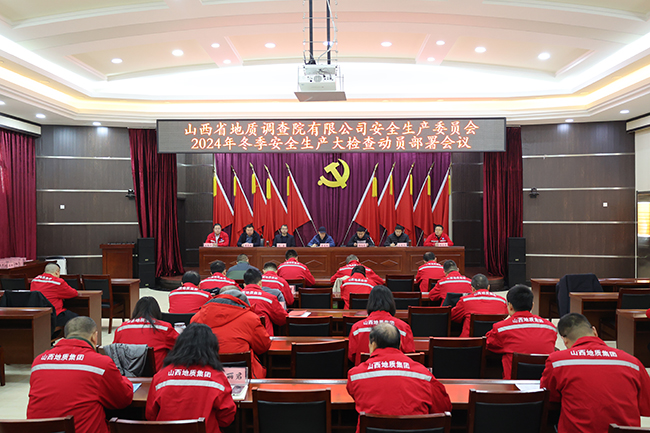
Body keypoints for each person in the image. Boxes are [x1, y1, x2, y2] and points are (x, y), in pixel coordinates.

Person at [541, 313, 650, 433]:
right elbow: (647, 406)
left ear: (565, 341)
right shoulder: (632, 363)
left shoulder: (558, 362)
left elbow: (549, 399)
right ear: (594, 331)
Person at [27, 316, 133, 433]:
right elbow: (123, 399)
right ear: (94, 336)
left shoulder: (39, 362)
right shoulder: (100, 364)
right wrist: (124, 379)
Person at [347, 323, 452, 432]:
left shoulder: (355, 375)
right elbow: (444, 408)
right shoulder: (424, 375)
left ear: (372, 345)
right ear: (400, 344)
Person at [146, 323, 236, 433]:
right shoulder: (217, 378)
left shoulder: (161, 376)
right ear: (212, 348)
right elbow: (227, 419)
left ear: (179, 346)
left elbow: (150, 415)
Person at [191, 289, 271, 378]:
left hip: (205, 374)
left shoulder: (196, 318)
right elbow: (263, 346)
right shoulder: (250, 318)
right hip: (242, 376)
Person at [485, 285, 556, 379]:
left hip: (513, 386)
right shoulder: (550, 327)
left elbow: (489, 344)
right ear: (532, 306)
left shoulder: (501, 328)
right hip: (544, 385)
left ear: (510, 306)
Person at [349, 285, 415, 365]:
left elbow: (351, 357)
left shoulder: (357, 328)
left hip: (364, 371)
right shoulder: (403, 328)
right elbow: (410, 357)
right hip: (395, 371)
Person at [113, 296, 178, 371]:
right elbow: (182, 346)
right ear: (156, 311)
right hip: (156, 376)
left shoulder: (121, 329)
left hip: (128, 375)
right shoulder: (164, 328)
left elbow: (114, 352)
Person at [30, 262, 79, 328]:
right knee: (77, 319)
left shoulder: (34, 280)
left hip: (38, 315)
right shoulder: (58, 282)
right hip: (53, 315)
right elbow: (73, 293)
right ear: (57, 272)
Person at [242, 269, 287, 336]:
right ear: (260, 282)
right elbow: (282, 319)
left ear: (244, 284)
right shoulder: (269, 298)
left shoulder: (235, 298)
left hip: (241, 337)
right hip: (264, 338)